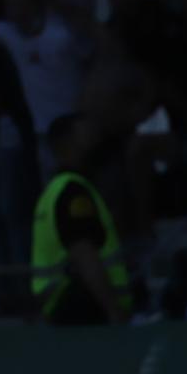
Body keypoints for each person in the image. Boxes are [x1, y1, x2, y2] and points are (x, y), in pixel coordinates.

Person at [31, 114, 132, 326]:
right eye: (87, 135)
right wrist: (114, 311)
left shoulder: (54, 190)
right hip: (84, 307)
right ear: (67, 144)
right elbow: (85, 255)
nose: (96, 140)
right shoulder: (73, 192)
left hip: (65, 306)